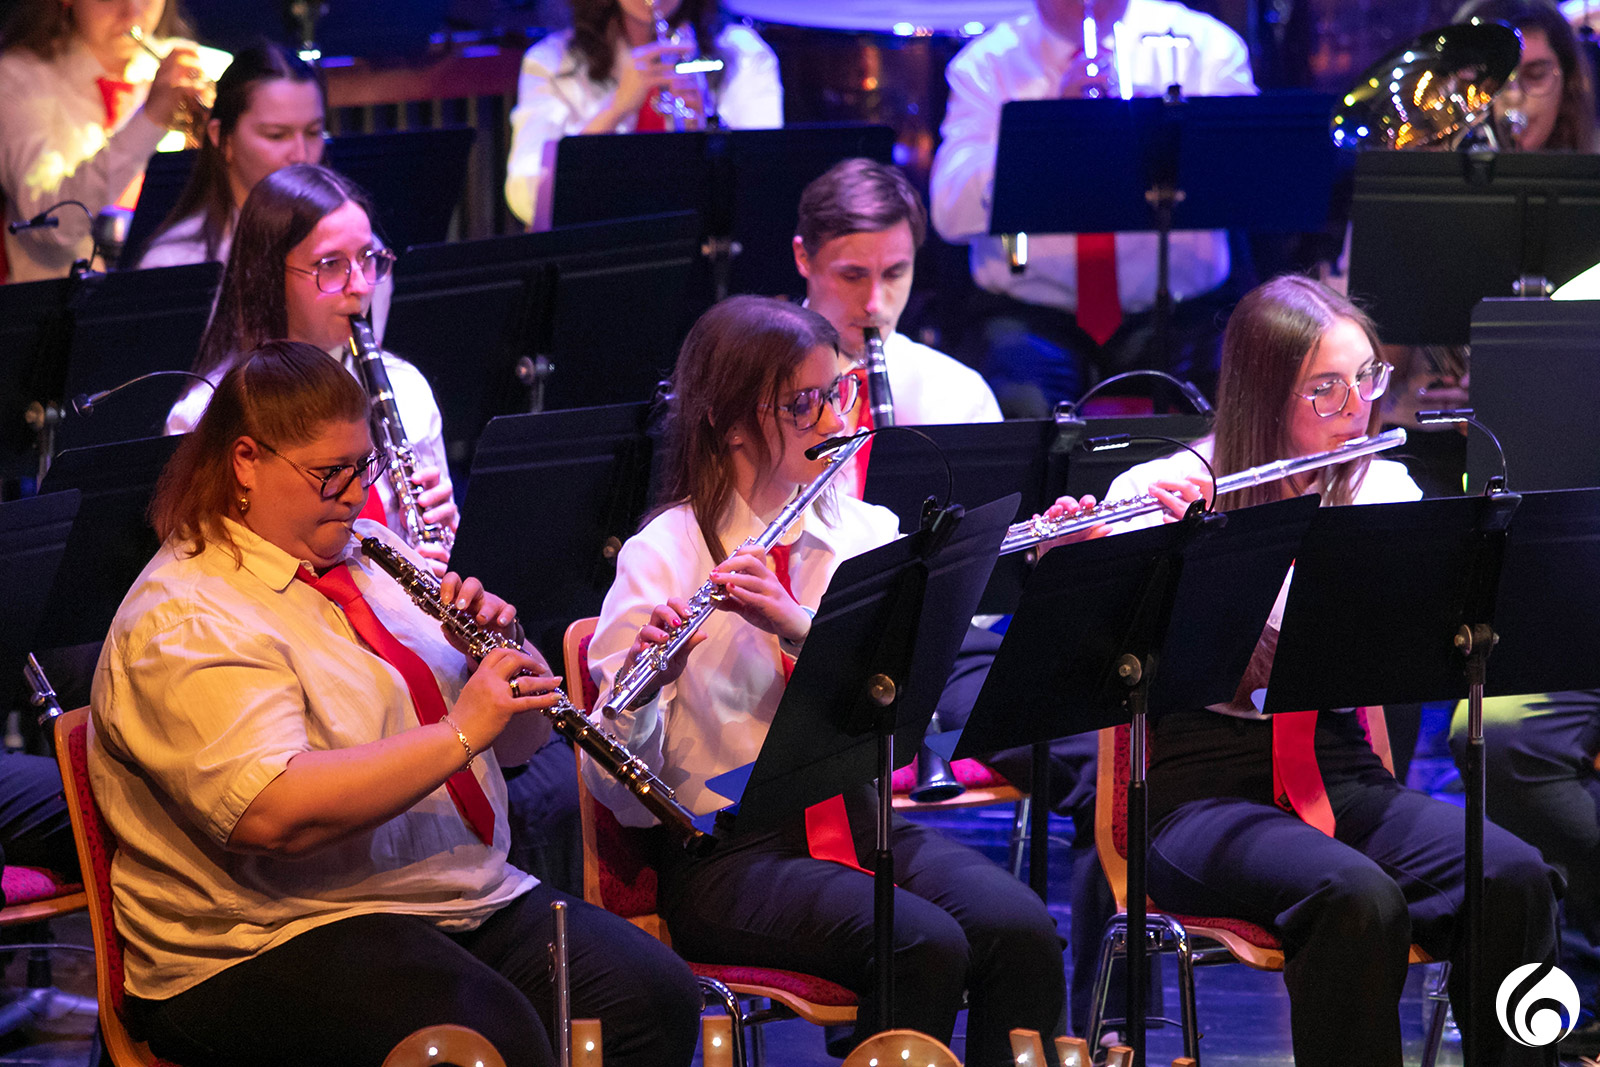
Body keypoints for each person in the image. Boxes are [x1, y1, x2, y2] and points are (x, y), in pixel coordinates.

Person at [89, 339, 701, 1067]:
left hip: (445, 896)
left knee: (650, 996)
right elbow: (272, 812)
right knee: (483, 1039)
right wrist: (459, 730)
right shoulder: (187, 614)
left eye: (364, 466)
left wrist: (499, 663)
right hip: (262, 938)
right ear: (245, 461)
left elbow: (519, 746)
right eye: (330, 473)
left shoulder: (376, 553)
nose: (355, 494)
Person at [585, 295, 1066, 1065]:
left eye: (836, 391)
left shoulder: (864, 532)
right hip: (728, 853)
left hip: (863, 822)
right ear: (730, 422)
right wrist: (649, 686)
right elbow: (615, 793)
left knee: (1023, 928)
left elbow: (909, 700)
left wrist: (799, 625)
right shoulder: (663, 555)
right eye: (802, 403)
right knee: (922, 942)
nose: (835, 420)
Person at [1103, 275, 1558, 1066]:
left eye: (1366, 378)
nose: (1357, 409)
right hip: (1198, 792)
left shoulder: (1382, 487)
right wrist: (1181, 557)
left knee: (1513, 875)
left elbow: (1403, 648)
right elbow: (1121, 665)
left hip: (1339, 769)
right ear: (1262, 397)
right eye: (1326, 389)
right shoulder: (1156, 494)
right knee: (1355, 897)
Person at [929, 0, 1256, 415]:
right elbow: (949, 212)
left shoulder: (1205, 45)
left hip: (1183, 310)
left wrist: (1157, 129)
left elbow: (1251, 181)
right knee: (1015, 411)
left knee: (1238, 406)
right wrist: (1051, 129)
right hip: (1033, 314)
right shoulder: (987, 63)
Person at [166, 164, 455, 570]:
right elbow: (206, 573)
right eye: (331, 265)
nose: (360, 286)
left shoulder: (406, 389)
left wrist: (442, 548)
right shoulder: (203, 413)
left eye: (367, 259)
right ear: (268, 275)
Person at [0, 0, 228, 281]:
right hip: (61, 300)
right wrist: (150, 120)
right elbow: (50, 224)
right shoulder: (19, 78)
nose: (132, 11)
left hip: (173, 286)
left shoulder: (202, 66)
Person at [505, 0, 781, 228]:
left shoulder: (744, 54)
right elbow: (526, 200)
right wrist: (615, 110)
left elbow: (767, 191)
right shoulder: (551, 62)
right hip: (597, 249)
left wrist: (707, 125)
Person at [794, 157, 1002, 432]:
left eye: (894, 274)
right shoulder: (752, 384)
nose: (875, 304)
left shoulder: (961, 398)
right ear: (803, 258)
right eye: (853, 276)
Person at [136, 41, 324, 268]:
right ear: (222, 138)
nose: (301, 155)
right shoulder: (175, 262)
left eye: (313, 132)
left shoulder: (349, 241)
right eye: (276, 135)